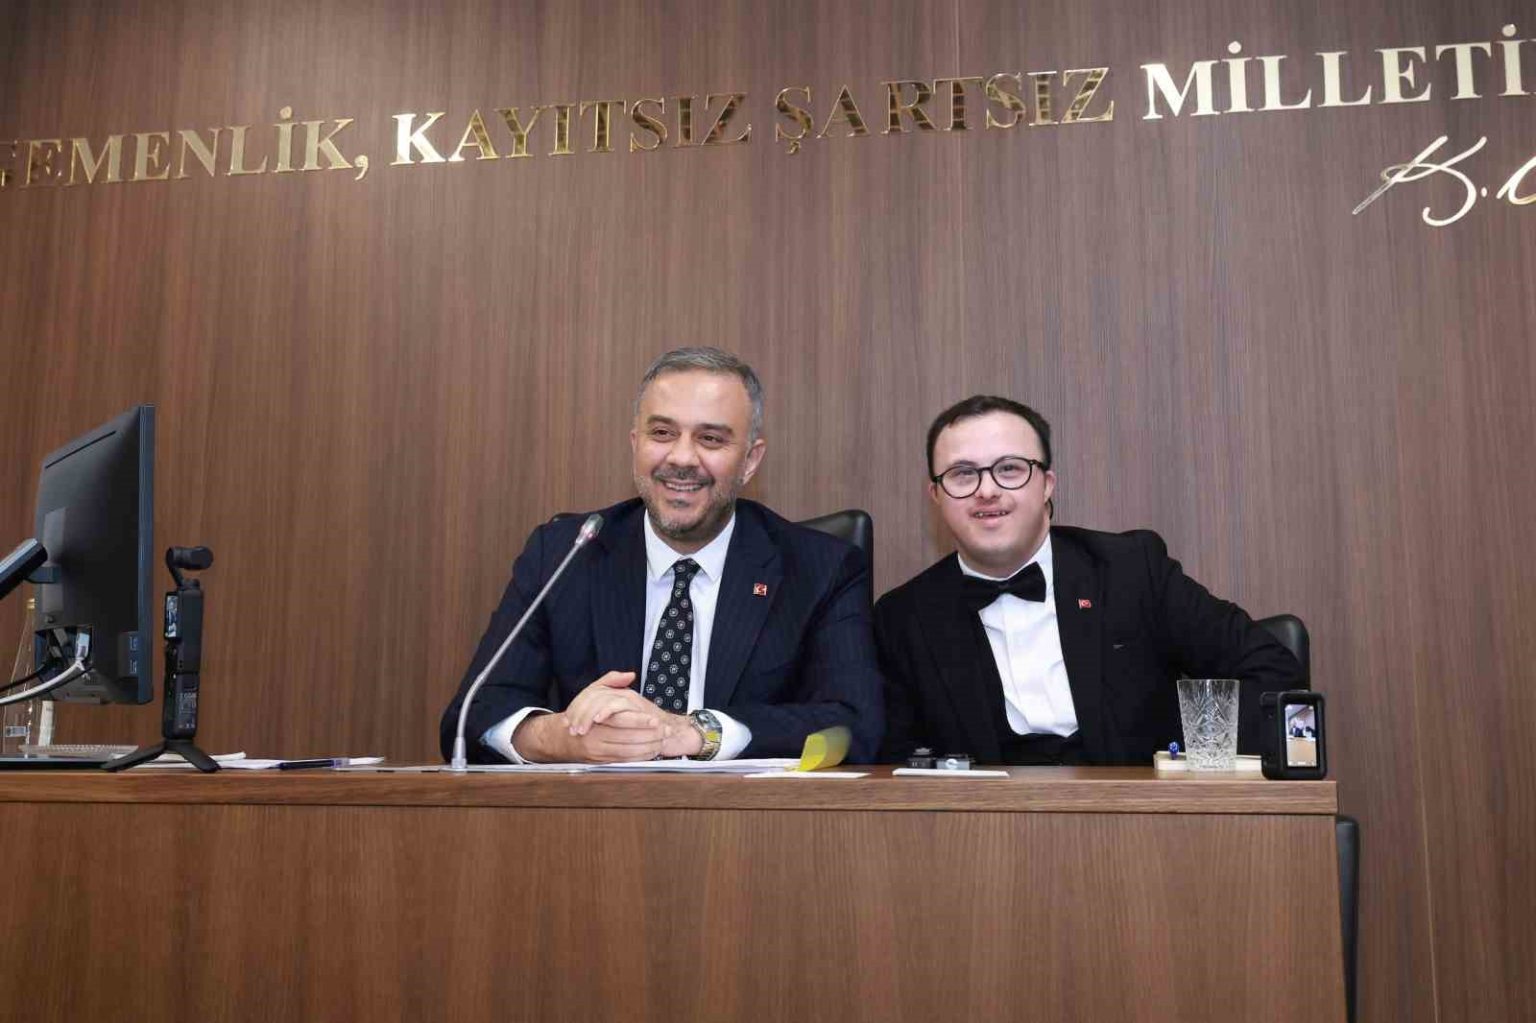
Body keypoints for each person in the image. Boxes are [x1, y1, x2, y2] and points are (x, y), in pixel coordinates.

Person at [440, 347, 884, 764]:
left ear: (750, 460)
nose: (682, 457)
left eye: (710, 438)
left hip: (746, 818)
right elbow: (472, 717)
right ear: (635, 443)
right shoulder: (565, 555)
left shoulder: (820, 569)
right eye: (662, 433)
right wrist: (561, 737)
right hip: (590, 817)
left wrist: (694, 732)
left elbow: (855, 726)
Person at [875, 395, 1302, 765]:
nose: (987, 490)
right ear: (936, 496)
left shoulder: (1131, 571)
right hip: (986, 829)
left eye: (1009, 469)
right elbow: (894, 762)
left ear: (1047, 484)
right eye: (963, 474)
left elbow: (1273, 671)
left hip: (1142, 820)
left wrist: (1187, 760)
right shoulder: (902, 618)